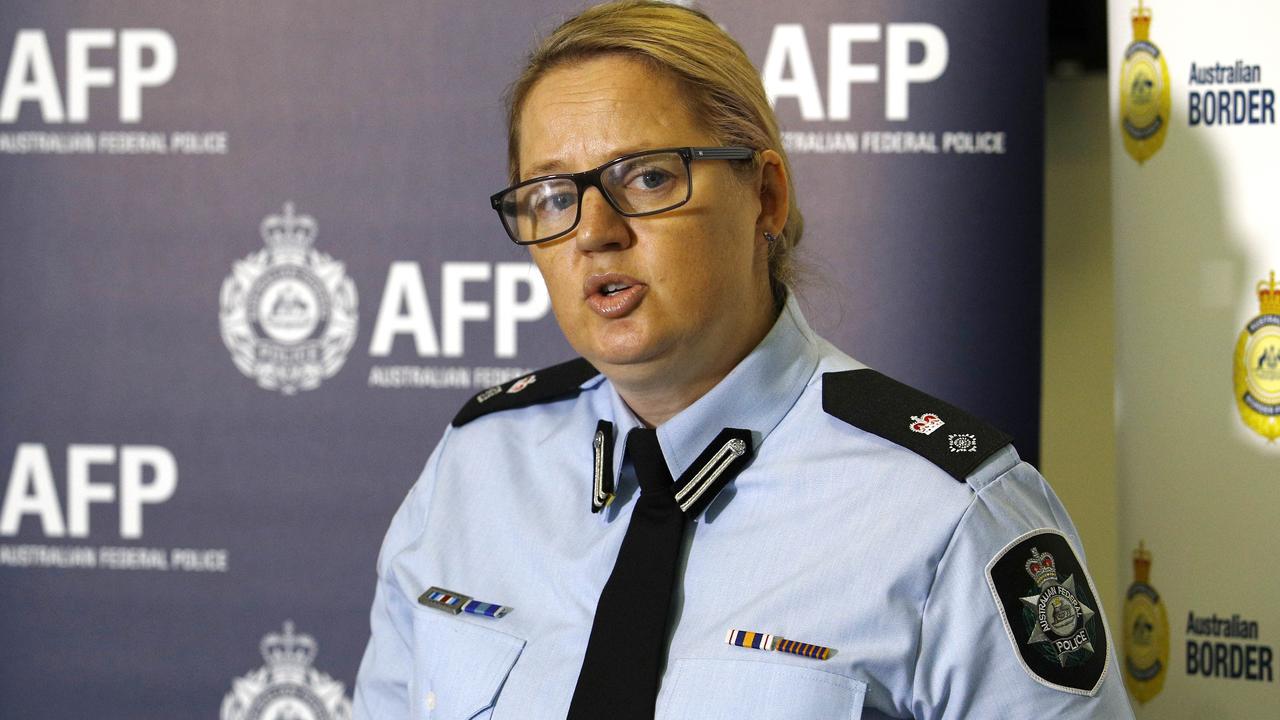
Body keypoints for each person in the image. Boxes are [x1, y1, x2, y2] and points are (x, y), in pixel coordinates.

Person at [353, 2, 1136, 718]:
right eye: (553, 195)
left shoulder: (948, 510)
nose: (594, 230)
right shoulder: (478, 463)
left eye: (647, 177)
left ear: (765, 196)